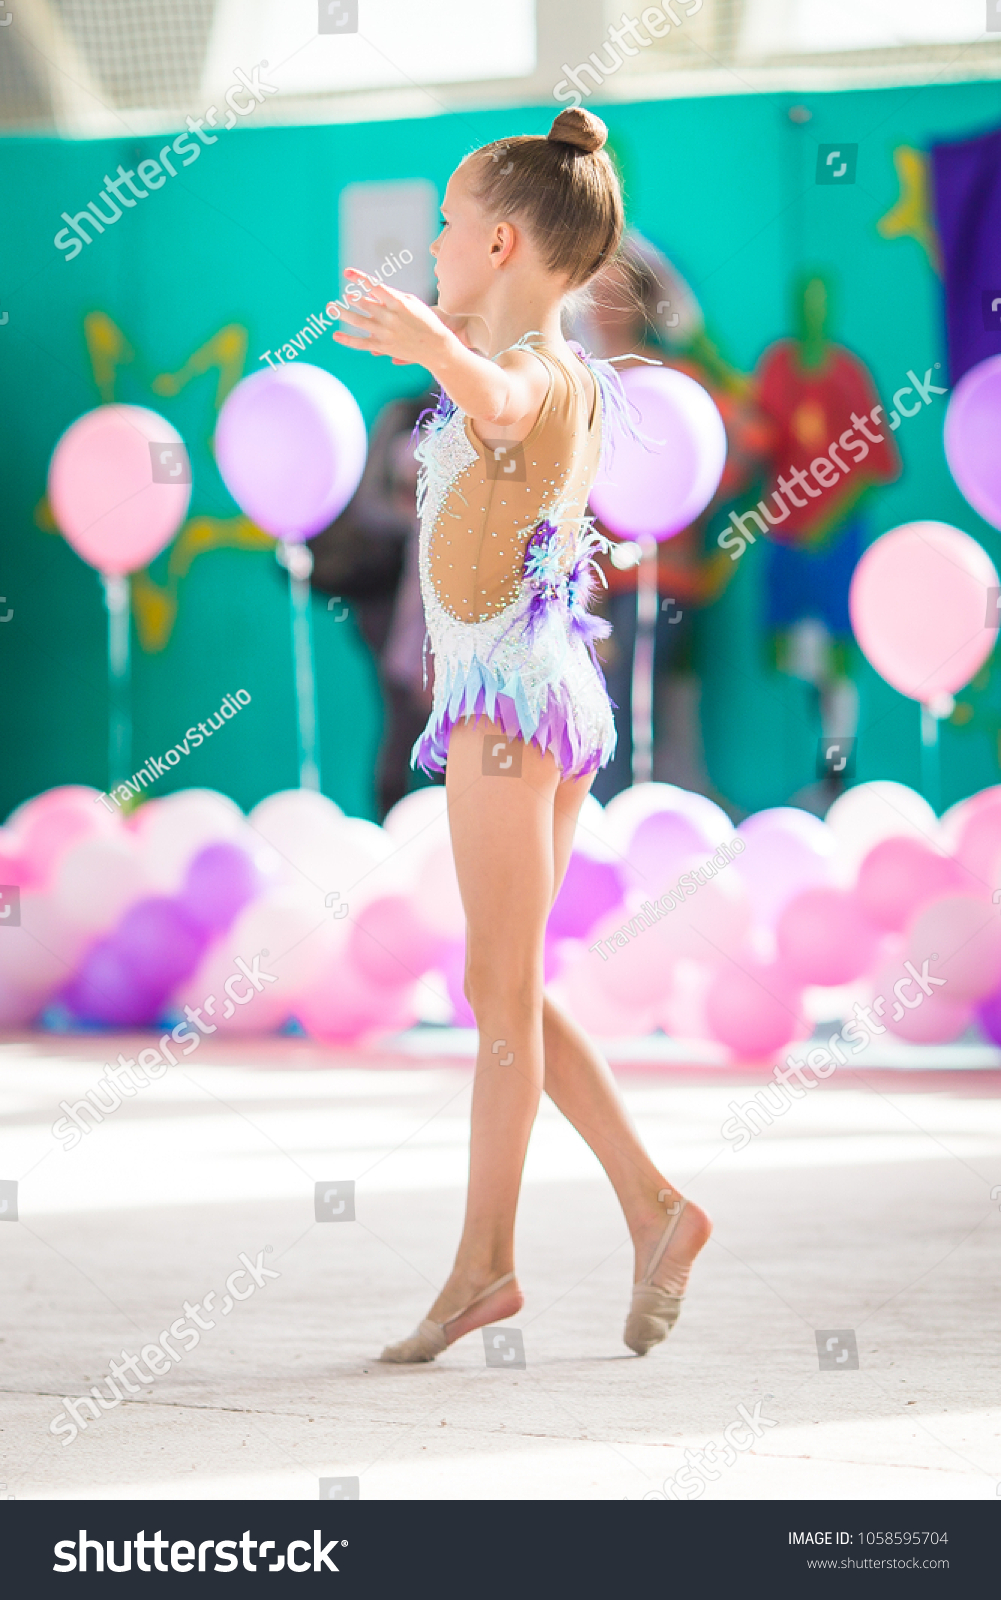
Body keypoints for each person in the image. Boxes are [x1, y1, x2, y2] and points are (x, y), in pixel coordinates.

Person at [332, 107, 711, 1362]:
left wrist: (435, 341)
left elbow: (496, 400)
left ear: (496, 243)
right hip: (527, 692)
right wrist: (446, 346)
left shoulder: (540, 373)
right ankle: (654, 1210)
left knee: (498, 997)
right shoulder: (548, 372)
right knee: (506, 986)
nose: (431, 244)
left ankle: (485, 1264)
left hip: (512, 705)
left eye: (443, 225)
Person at [309, 389, 438, 819]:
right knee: (404, 726)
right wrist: (417, 510)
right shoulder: (405, 411)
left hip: (467, 602)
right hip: (397, 605)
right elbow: (368, 507)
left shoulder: (506, 404)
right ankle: (396, 830)